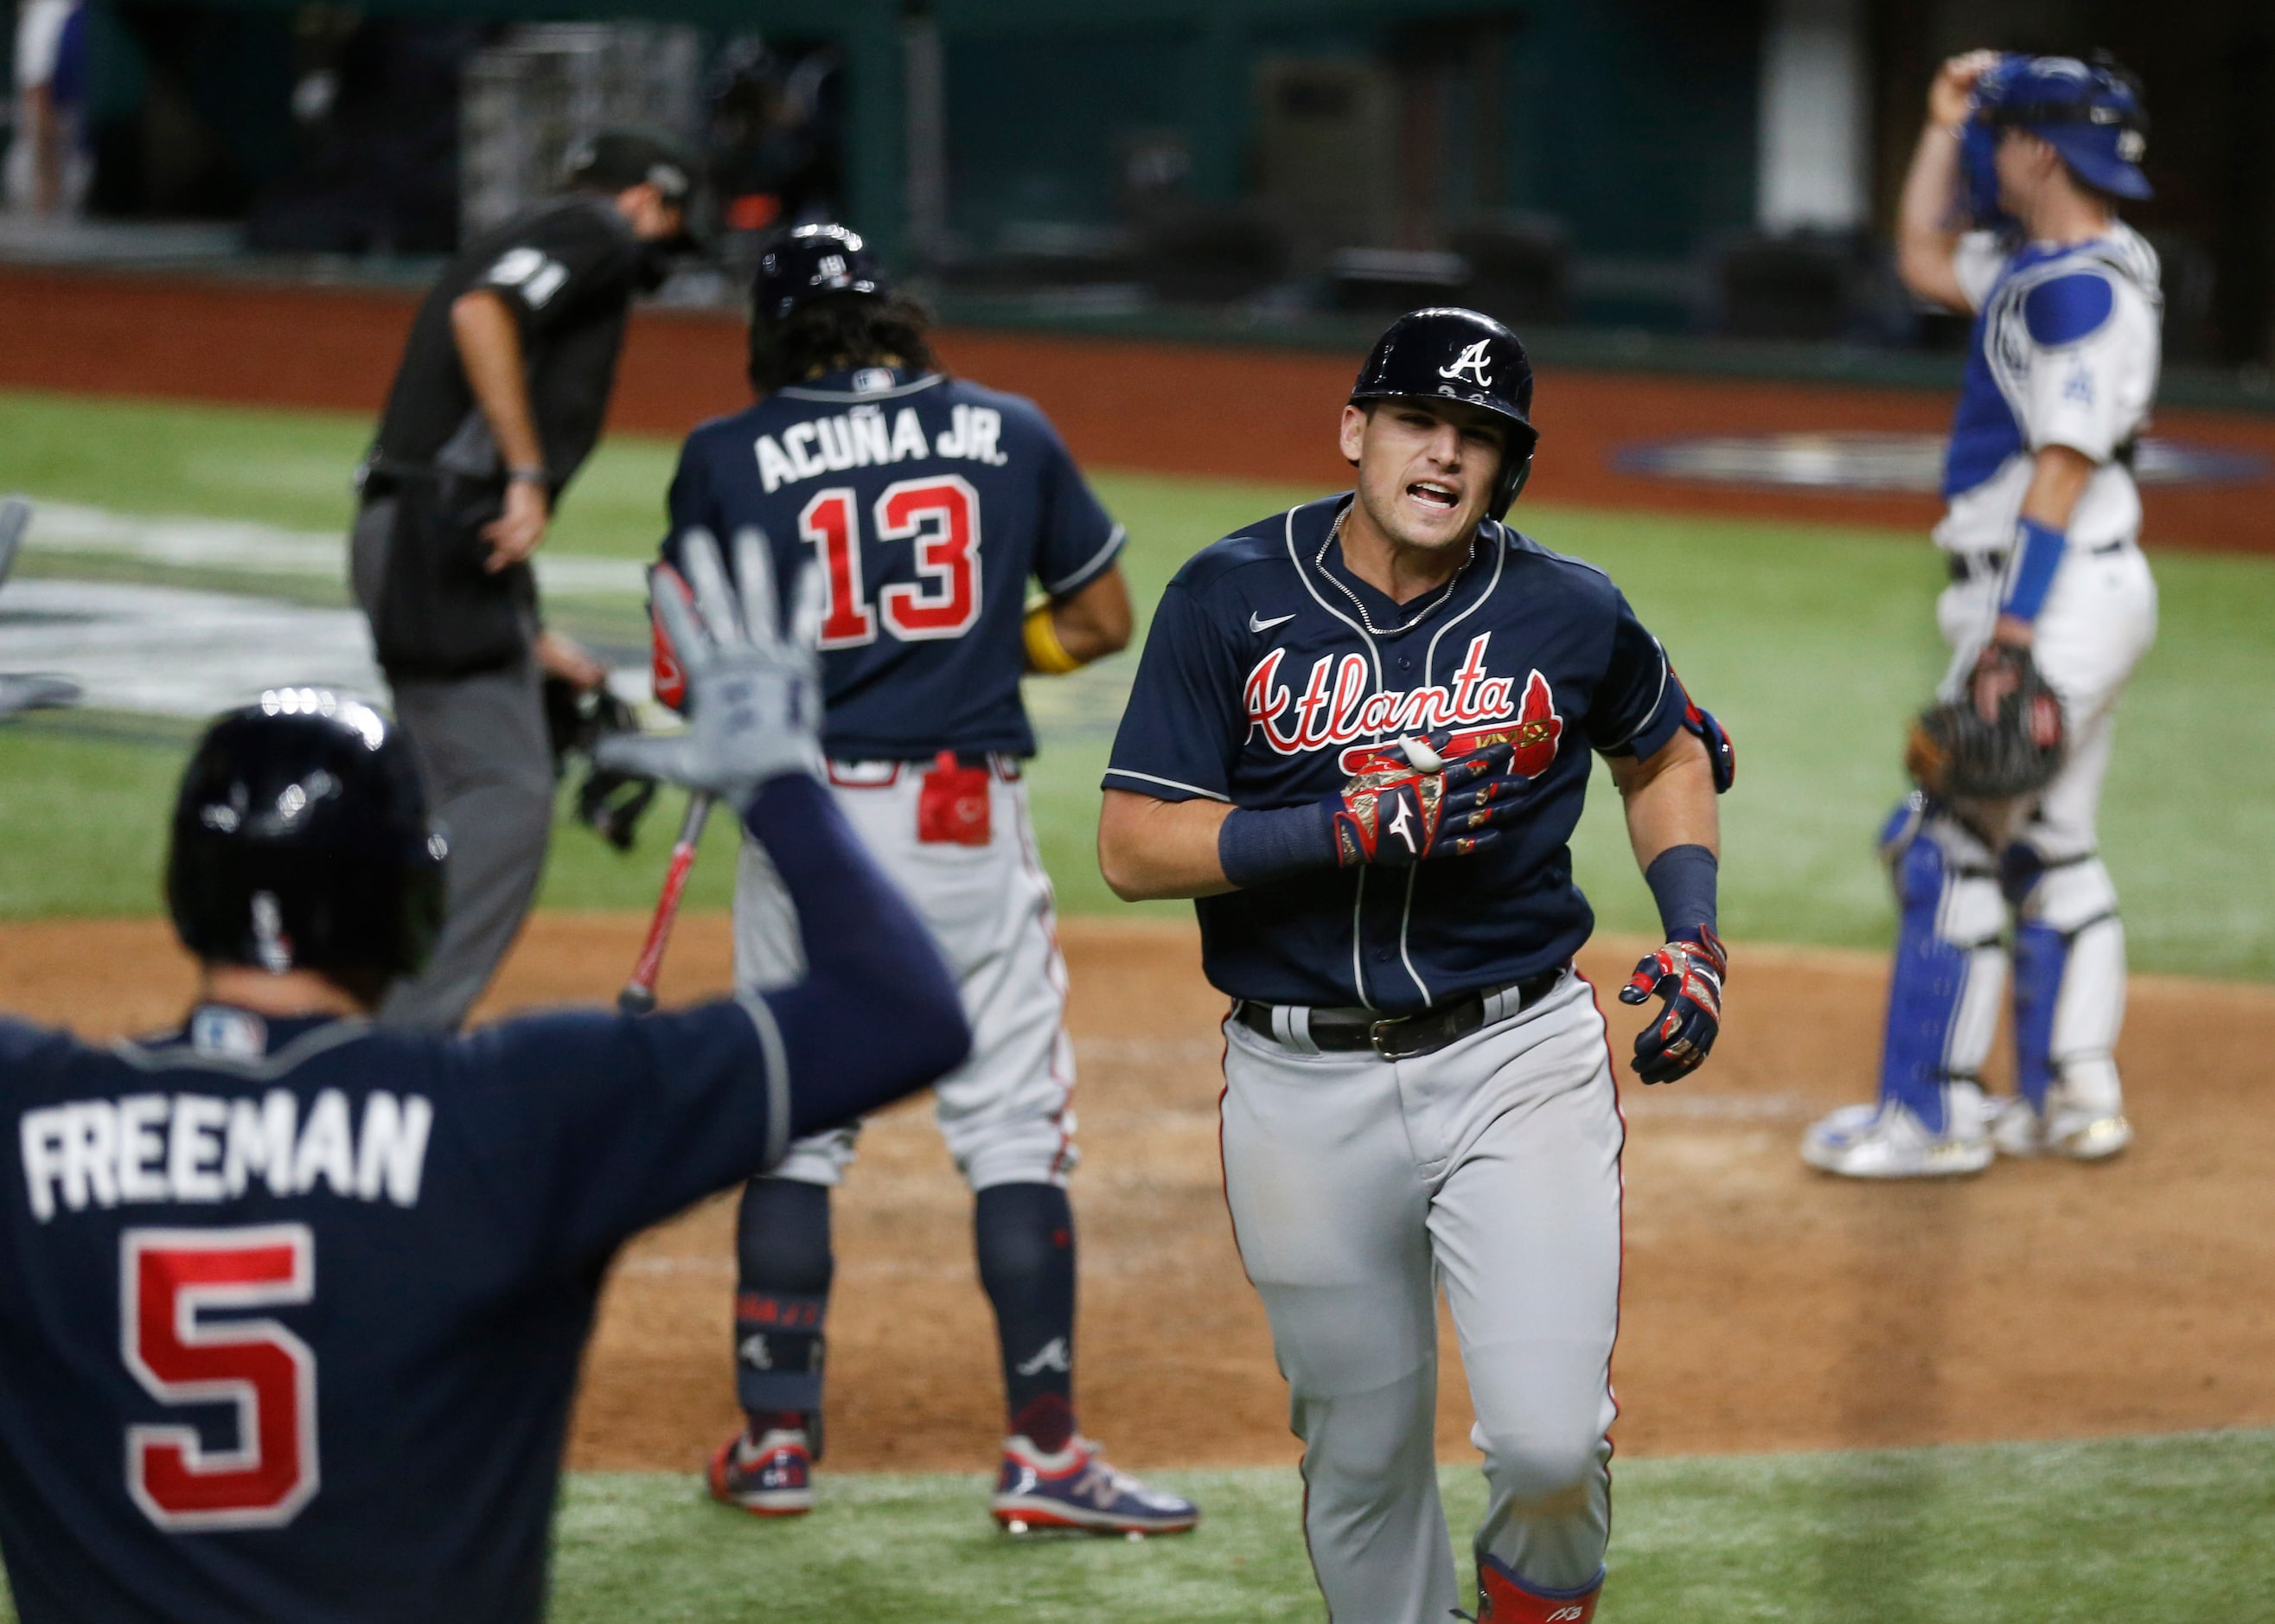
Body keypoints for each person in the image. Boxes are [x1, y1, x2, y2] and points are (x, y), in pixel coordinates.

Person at [0, 533, 972, 1621]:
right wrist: (784, 789)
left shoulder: (27, 1113)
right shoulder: (519, 1109)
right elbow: (904, 1013)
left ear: (188, 888)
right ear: (412, 904)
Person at [1096, 307, 1734, 1624]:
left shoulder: (1566, 607)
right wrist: (1330, 828)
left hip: (1515, 1060)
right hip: (1297, 1085)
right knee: (1361, 1457)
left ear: (1507, 468)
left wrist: (1692, 935)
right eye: (1417, 424)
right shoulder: (1226, 596)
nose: (1444, 456)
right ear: (1355, 434)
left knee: (1551, 1447)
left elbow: (1667, 749)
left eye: (1478, 438)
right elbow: (1131, 845)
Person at [656, 223, 1194, 1535]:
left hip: (808, 824)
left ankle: (776, 1442)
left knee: (794, 1121)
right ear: (894, 313)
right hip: (962, 818)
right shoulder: (1008, 428)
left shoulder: (726, 454)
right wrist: (974, 648)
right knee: (1010, 1122)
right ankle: (1045, 1451)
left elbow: (684, 674)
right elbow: (1100, 615)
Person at [1800, 52, 2159, 1179]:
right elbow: (1917, 255)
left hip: (2045, 594)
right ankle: (2070, 1096)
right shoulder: (2048, 263)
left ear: (2036, 150)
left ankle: (1929, 1116)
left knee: (1938, 840)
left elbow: (2058, 467)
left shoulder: (2076, 291)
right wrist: (1937, 118)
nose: (1983, 150)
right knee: (2044, 840)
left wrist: (2007, 640)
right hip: (2074, 587)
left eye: (1995, 133)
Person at [349, 129, 700, 1033]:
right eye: (668, 227)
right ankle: (389, 1053)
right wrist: (527, 470)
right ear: (646, 203)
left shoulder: (535, 226)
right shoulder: (597, 234)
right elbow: (483, 314)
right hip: (436, 536)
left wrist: (530, 638)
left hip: (432, 541)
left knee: (447, 793)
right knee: (504, 793)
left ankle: (353, 1020)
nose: (659, 252)